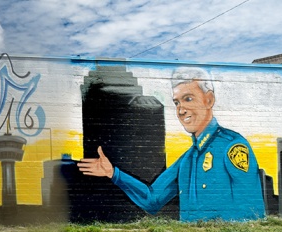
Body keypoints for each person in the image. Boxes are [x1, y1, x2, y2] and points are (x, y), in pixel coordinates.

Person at [78, 67, 264, 221]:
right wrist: (114, 173)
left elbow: (252, 210)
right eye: (176, 102)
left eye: (188, 99)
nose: (181, 110)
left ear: (209, 100)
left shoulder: (233, 147)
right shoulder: (187, 159)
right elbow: (152, 199)